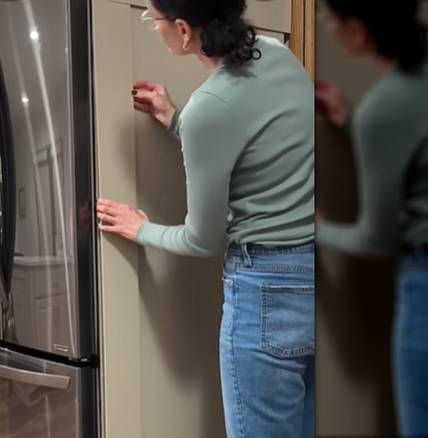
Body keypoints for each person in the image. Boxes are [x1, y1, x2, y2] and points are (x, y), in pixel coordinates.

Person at [95, 0, 315, 436]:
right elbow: (262, 143)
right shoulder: (278, 54)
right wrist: (175, 119)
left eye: (153, 19)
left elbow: (203, 239)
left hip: (265, 290)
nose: (151, 28)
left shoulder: (209, 107)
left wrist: (143, 228)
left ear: (181, 30)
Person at [315, 1, 428, 436]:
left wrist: (317, 227)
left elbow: (377, 239)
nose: (328, 29)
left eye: (330, 21)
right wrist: (353, 123)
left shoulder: (384, 110)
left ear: (357, 29)